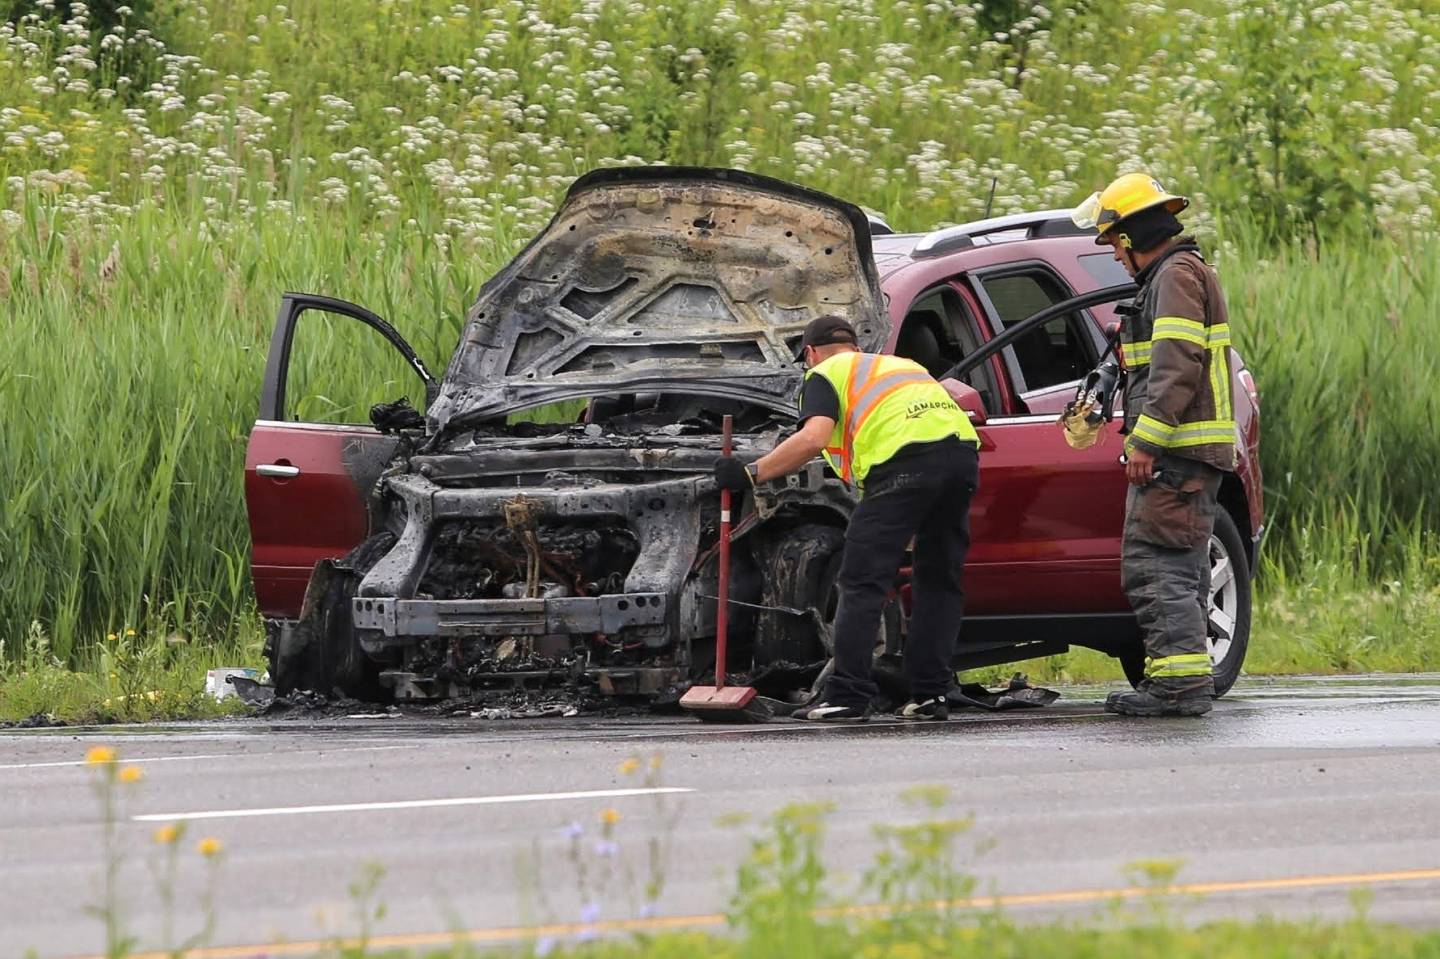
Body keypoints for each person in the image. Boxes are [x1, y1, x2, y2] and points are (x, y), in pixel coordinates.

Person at [713, 315, 981, 721]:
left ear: (810, 353)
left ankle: (848, 695)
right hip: (962, 458)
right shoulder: (901, 366)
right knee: (939, 580)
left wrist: (750, 473)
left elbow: (814, 437)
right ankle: (931, 693)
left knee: (860, 582)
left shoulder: (824, 374)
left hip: (903, 464)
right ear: (856, 346)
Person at [1072, 173, 1237, 717]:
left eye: (1115, 245)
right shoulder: (1180, 275)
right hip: (1187, 452)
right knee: (1178, 566)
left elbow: (1176, 366)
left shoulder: (1175, 277)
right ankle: (1186, 680)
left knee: (1155, 565)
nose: (1115, 258)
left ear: (1131, 236)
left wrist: (1145, 441)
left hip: (1175, 452)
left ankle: (1178, 685)